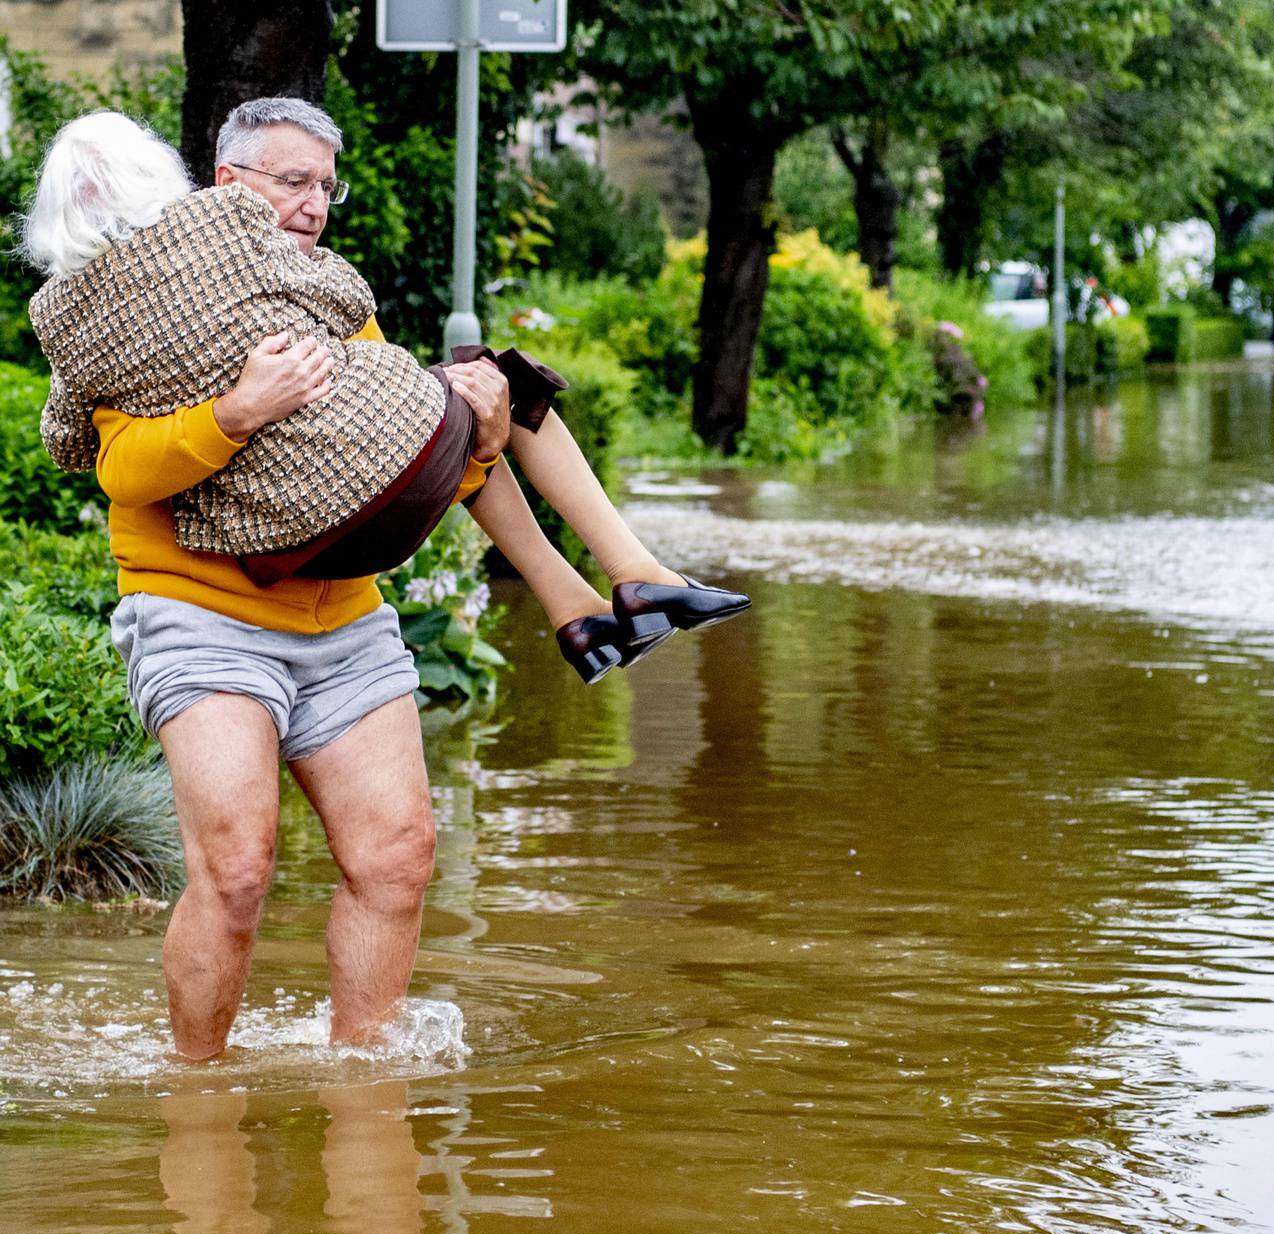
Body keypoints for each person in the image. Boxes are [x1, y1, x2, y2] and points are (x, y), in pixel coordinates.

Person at [17, 101, 735, 1060]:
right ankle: (197, 1092)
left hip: (343, 619)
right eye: (293, 183)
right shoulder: (136, 302)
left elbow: (362, 462)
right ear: (228, 188)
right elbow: (122, 470)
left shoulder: (320, 290)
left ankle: (366, 1082)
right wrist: (235, 411)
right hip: (203, 613)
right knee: (235, 871)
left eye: (326, 186)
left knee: (397, 861)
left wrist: (472, 438)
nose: (315, 205)